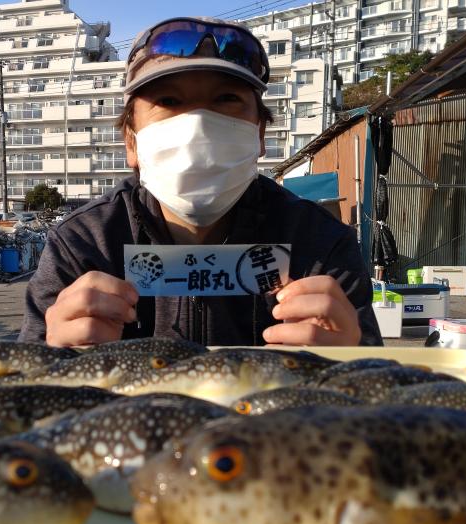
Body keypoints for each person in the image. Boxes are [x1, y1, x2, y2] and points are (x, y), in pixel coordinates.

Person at [19, 16, 381, 347]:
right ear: (131, 141)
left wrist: (350, 358)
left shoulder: (320, 243)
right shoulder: (83, 245)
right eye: (169, 100)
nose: (197, 125)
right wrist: (52, 359)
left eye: (226, 99)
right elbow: (22, 394)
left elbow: (376, 401)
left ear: (259, 134)